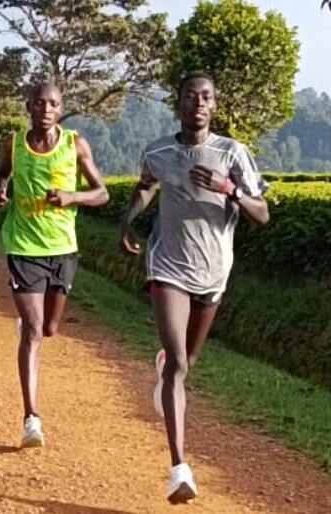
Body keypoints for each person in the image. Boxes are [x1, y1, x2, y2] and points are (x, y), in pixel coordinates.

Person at [118, 72, 270, 504]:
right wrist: (127, 220)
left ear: (214, 105)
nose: (199, 103)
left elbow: (262, 214)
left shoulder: (232, 153)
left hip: (214, 272)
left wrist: (229, 189)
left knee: (187, 361)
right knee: (180, 363)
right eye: (191, 96)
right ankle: (179, 468)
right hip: (168, 265)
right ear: (179, 102)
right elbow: (146, 186)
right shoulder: (158, 152)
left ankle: (168, 368)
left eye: (206, 97)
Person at [0, 82, 109, 449]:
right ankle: (31, 419)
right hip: (23, 246)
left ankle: (33, 327)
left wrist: (72, 197)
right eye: (39, 103)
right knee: (33, 330)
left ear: (61, 109)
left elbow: (102, 193)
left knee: (50, 328)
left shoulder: (75, 145)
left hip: (63, 248)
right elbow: (0, 173)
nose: (46, 109)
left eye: (53, 104)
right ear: (28, 106)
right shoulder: (14, 144)